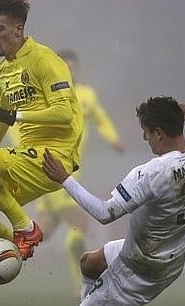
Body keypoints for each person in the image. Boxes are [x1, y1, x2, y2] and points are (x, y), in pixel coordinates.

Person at [43, 96, 185, 305]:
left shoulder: (153, 173)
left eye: (146, 131)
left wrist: (64, 179)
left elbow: (105, 213)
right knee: (89, 263)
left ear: (158, 133)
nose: (144, 137)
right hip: (170, 256)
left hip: (140, 269)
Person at [0, 0, 83, 261]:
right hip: (27, 158)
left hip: (54, 158)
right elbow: (3, 114)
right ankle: (14, 244)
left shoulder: (45, 59)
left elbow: (64, 113)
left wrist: (13, 115)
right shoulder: (1, 71)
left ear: (18, 29)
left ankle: (27, 229)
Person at [27, 49, 124, 296]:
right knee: (78, 223)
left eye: (72, 67)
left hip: (68, 171)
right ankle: (79, 288)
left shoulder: (87, 95)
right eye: (64, 67)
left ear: (78, 69)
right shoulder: (47, 96)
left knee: (41, 232)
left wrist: (113, 139)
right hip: (52, 169)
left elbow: (100, 118)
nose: (69, 71)